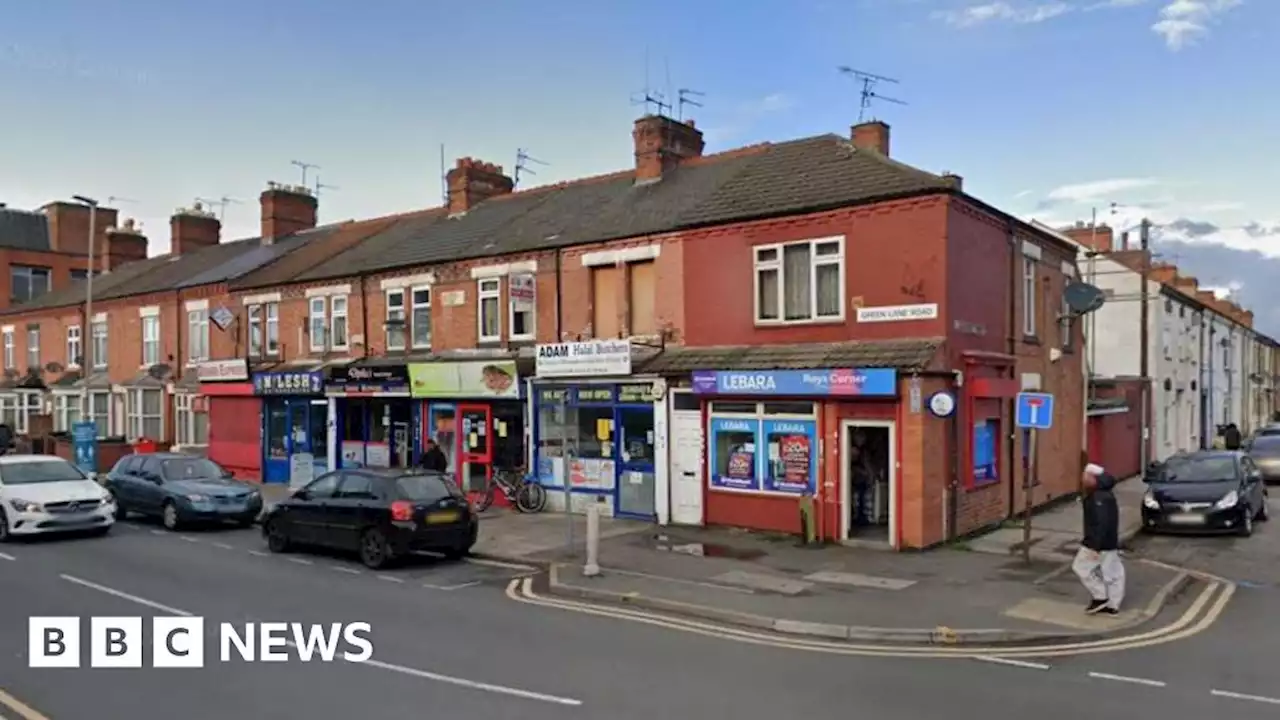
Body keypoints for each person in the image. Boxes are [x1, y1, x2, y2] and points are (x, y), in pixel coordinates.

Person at [1073, 458, 1125, 615]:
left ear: (1093, 478)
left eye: (1085, 476)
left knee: (1081, 567)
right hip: (1107, 542)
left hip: (1097, 543)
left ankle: (1101, 597)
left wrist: (1095, 545)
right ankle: (1112, 605)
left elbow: (1101, 522)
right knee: (1114, 573)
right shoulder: (1102, 494)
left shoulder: (1098, 498)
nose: (1082, 479)